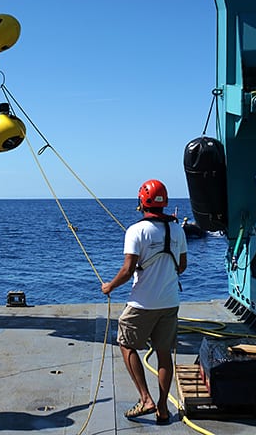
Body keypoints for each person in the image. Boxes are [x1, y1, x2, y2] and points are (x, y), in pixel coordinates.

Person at [101, 179, 187, 426]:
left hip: (141, 304)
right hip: (170, 302)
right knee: (163, 354)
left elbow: (127, 270)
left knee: (125, 344)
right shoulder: (177, 230)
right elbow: (181, 266)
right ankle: (161, 408)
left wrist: (109, 286)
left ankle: (145, 398)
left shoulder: (136, 231)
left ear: (142, 201)